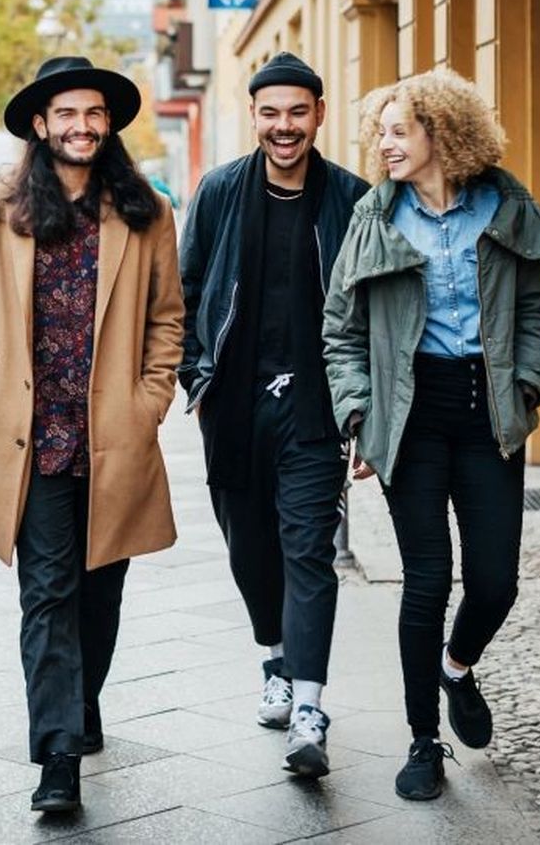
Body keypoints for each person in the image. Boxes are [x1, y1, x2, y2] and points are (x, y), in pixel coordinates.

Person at [323, 68, 540, 801]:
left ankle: (456, 665)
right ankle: (424, 740)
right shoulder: (375, 216)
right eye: (382, 132)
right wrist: (360, 412)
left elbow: (533, 309)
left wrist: (526, 382)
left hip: (488, 412)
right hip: (411, 411)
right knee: (427, 578)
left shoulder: (505, 205)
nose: (384, 145)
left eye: (400, 131)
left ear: (443, 134)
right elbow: (341, 330)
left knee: (494, 580)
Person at [0, 56, 184, 813]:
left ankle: (82, 697)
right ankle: (57, 754)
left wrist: (150, 399)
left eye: (94, 114)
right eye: (67, 114)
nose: (82, 126)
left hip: (113, 433)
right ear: (39, 123)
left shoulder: (145, 209)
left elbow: (167, 318)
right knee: (47, 592)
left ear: (109, 123)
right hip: (33, 436)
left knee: (101, 591)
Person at [178, 52, 368, 778]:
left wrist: (365, 411)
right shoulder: (222, 190)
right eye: (270, 112)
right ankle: (275, 657)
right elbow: (187, 289)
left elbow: (374, 308)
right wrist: (195, 378)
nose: (284, 126)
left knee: (309, 551)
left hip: (317, 409)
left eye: (297, 111)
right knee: (247, 548)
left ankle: (311, 706)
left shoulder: (350, 198)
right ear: (253, 115)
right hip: (234, 401)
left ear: (319, 114)